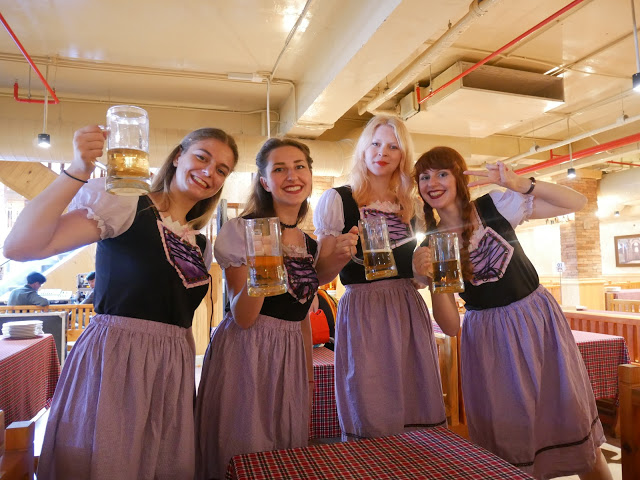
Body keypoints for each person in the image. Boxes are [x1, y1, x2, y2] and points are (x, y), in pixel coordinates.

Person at [3, 124, 239, 480]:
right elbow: (20, 247)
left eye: (222, 169)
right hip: (115, 359)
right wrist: (77, 170)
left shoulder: (200, 246)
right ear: (178, 157)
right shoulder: (127, 204)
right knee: (109, 461)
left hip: (171, 367)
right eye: (202, 157)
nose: (209, 172)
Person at [412, 146, 612, 480]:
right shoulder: (431, 247)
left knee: (570, 419)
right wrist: (432, 280)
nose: (432, 183)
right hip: (487, 338)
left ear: (460, 178)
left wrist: (520, 183)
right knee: (509, 437)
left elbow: (576, 202)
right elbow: (450, 326)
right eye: (424, 177)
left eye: (442, 173)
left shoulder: (493, 207)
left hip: (535, 320)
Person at [195, 138, 345, 479]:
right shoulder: (240, 231)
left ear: (310, 175)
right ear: (264, 182)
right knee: (244, 444)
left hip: (291, 353)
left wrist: (307, 375)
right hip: (247, 351)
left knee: (284, 449)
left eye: (299, 166)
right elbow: (244, 317)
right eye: (279, 169)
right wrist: (266, 259)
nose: (292, 175)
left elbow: (301, 316)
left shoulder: (309, 244)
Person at [313, 115, 459, 441]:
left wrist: (422, 270)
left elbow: (419, 276)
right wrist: (339, 254)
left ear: (403, 155)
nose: (383, 152)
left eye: (393, 146)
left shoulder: (412, 206)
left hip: (407, 308)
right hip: (363, 310)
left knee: (414, 399)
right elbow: (320, 275)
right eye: (376, 144)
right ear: (363, 149)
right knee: (370, 401)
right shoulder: (338, 200)